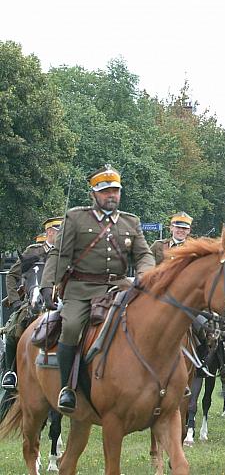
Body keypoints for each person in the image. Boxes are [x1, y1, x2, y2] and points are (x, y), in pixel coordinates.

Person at [41, 165, 155, 413]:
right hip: (81, 289)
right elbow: (59, 256)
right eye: (105, 191)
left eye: (115, 190)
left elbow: (144, 255)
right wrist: (47, 284)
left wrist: (144, 276)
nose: (111, 195)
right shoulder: (75, 218)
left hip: (119, 287)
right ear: (93, 194)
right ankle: (66, 388)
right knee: (70, 327)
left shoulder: (130, 221)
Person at [1, 217, 62, 390]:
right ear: (50, 232)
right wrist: (15, 302)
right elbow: (12, 275)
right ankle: (10, 373)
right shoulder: (34, 252)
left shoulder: (67, 253)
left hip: (60, 301)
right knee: (13, 331)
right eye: (59, 231)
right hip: (34, 301)